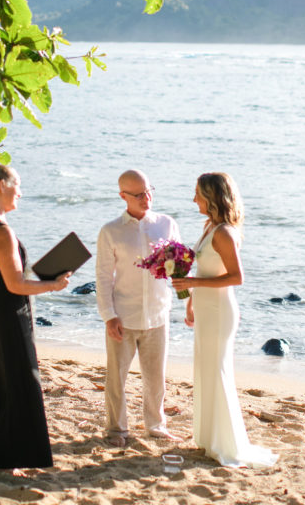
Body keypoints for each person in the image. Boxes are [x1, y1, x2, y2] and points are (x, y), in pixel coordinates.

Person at [172, 172, 278, 469]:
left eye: (197, 194)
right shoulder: (209, 226)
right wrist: (191, 300)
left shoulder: (224, 233)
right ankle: (208, 438)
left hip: (220, 311)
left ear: (211, 197)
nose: (193, 199)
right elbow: (207, 272)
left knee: (217, 371)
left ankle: (224, 443)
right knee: (205, 369)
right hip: (206, 307)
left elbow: (236, 277)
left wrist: (193, 284)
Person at [0, 160, 70, 469]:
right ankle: (16, 454)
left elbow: (3, 277)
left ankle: (1, 450)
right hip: (7, 311)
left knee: (3, 378)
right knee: (21, 380)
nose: (21, 194)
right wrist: (53, 285)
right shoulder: (1, 231)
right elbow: (15, 284)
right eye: (18, 186)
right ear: (2, 186)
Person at [96, 169, 180, 445]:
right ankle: (116, 429)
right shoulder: (110, 231)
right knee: (117, 378)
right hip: (124, 314)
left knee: (156, 377)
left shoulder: (166, 224)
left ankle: (156, 425)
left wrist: (187, 300)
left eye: (149, 190)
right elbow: (103, 277)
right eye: (139, 194)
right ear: (123, 196)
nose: (147, 198)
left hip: (158, 312)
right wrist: (109, 316)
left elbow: (177, 269)